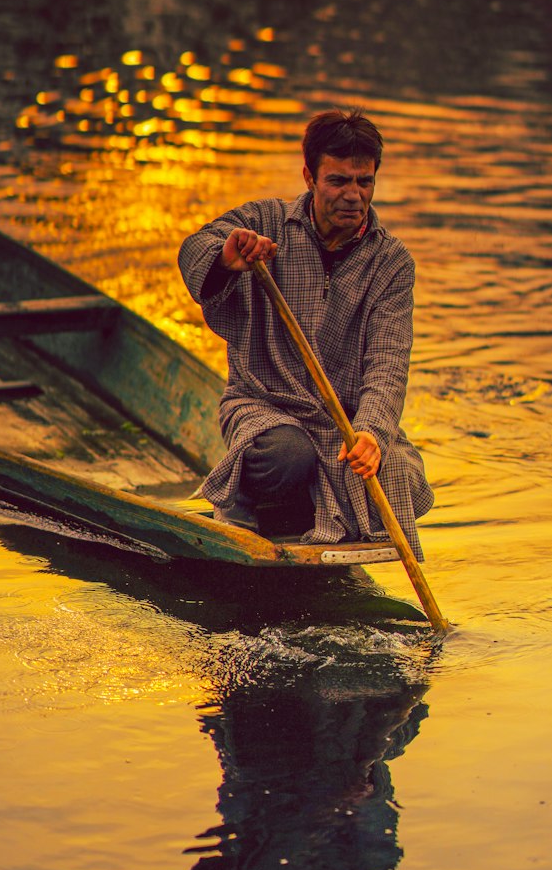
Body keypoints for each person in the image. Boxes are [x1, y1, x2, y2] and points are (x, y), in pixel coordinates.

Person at [178, 108, 433, 557]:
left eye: (364, 182)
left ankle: (314, 513)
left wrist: (371, 434)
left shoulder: (391, 262)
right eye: (338, 181)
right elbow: (194, 247)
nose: (353, 196)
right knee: (288, 456)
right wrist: (228, 256)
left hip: (344, 422)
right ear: (310, 177)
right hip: (264, 405)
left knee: (403, 481)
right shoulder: (268, 223)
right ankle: (254, 508)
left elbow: (389, 362)